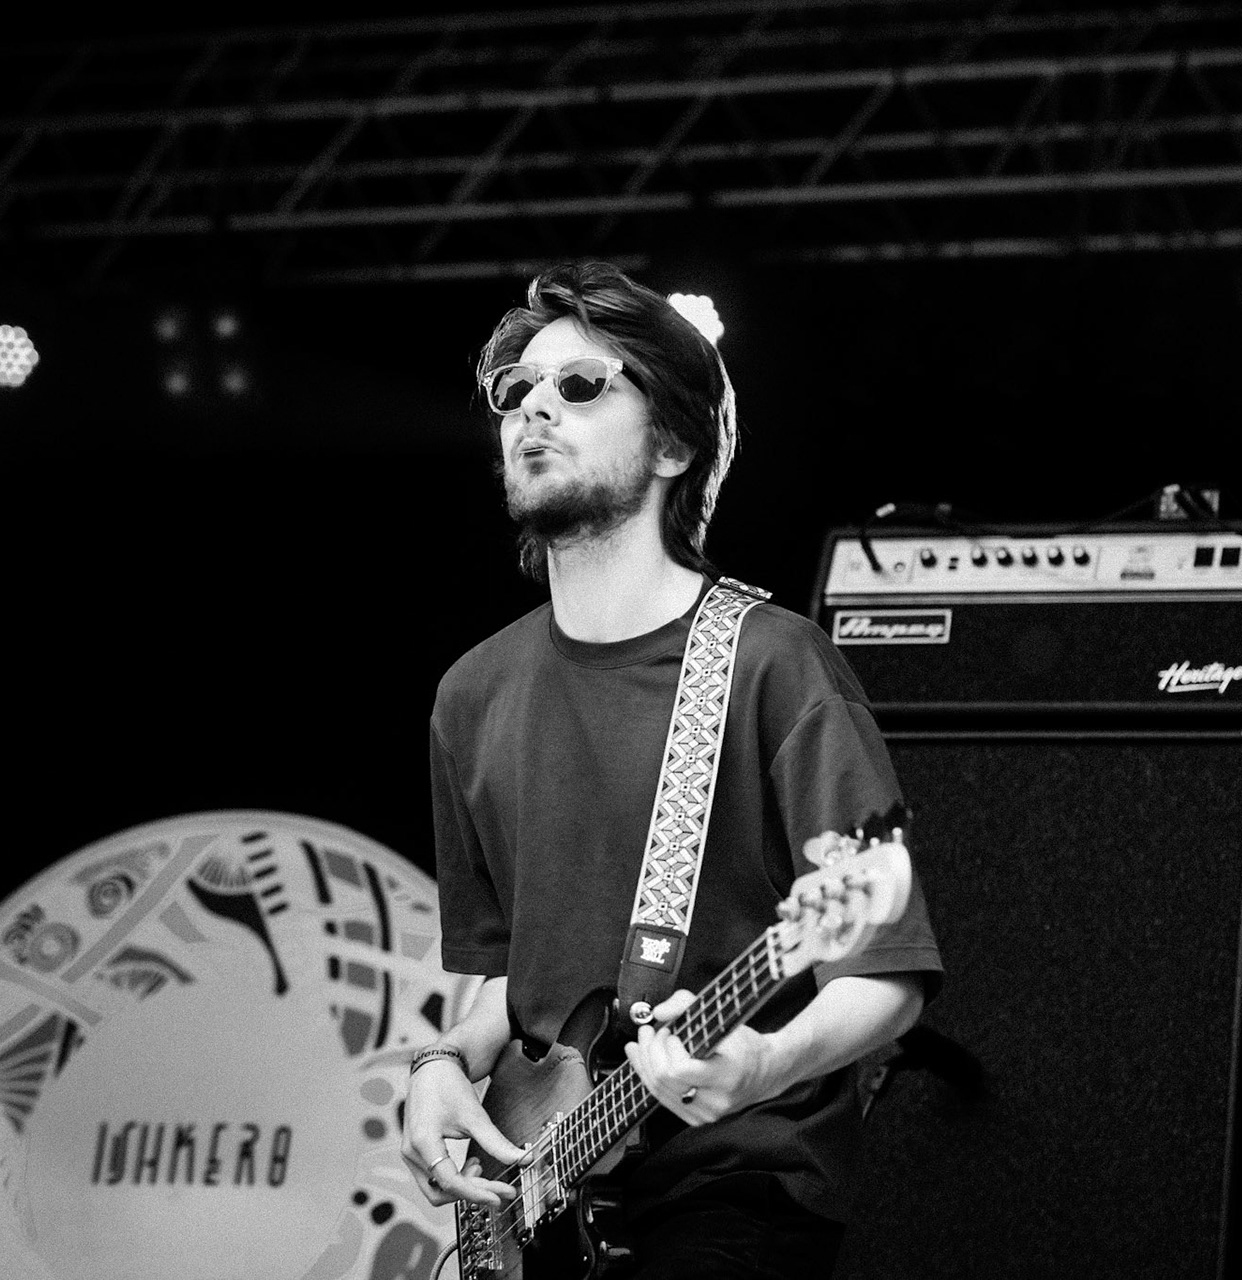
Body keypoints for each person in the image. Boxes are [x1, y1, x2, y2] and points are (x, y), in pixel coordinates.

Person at [401, 261, 942, 1278]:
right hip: (541, 1198)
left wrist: (761, 1062)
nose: (534, 408)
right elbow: (514, 971)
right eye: (516, 390)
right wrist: (445, 1062)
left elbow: (886, 968)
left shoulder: (773, 662)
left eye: (582, 385)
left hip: (730, 1190)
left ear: (675, 442)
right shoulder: (471, 693)